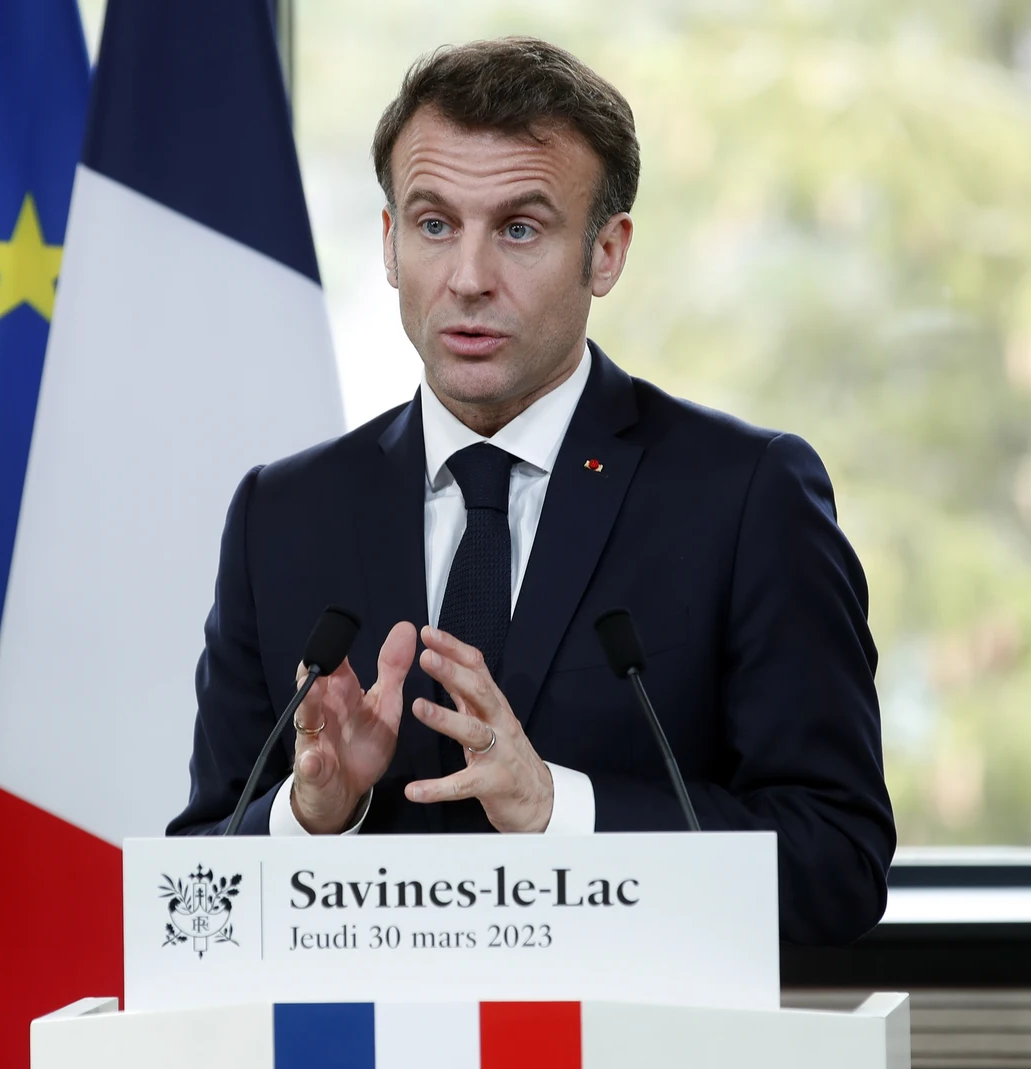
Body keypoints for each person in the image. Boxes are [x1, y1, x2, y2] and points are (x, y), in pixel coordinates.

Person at [166, 37, 894, 946]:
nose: (469, 278)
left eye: (519, 228)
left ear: (607, 254)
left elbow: (837, 866)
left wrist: (560, 811)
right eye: (435, 225)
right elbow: (199, 886)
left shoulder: (746, 497)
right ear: (390, 244)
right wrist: (312, 816)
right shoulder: (283, 516)